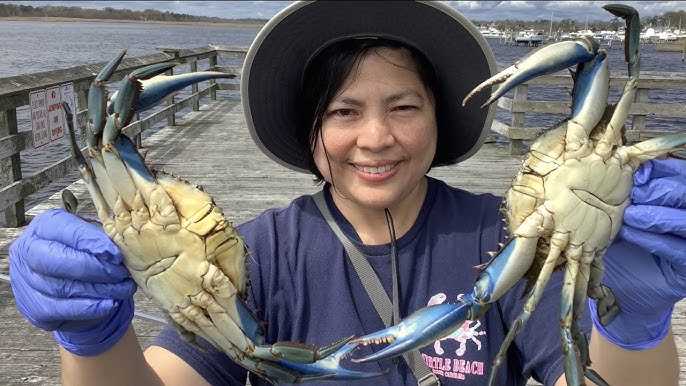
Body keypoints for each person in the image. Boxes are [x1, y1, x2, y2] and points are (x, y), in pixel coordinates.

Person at [7, 1, 686, 385]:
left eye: (404, 107)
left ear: (441, 119)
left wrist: (634, 319)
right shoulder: (259, 255)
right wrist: (92, 341)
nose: (376, 137)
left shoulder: (509, 236)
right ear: (310, 136)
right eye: (342, 112)